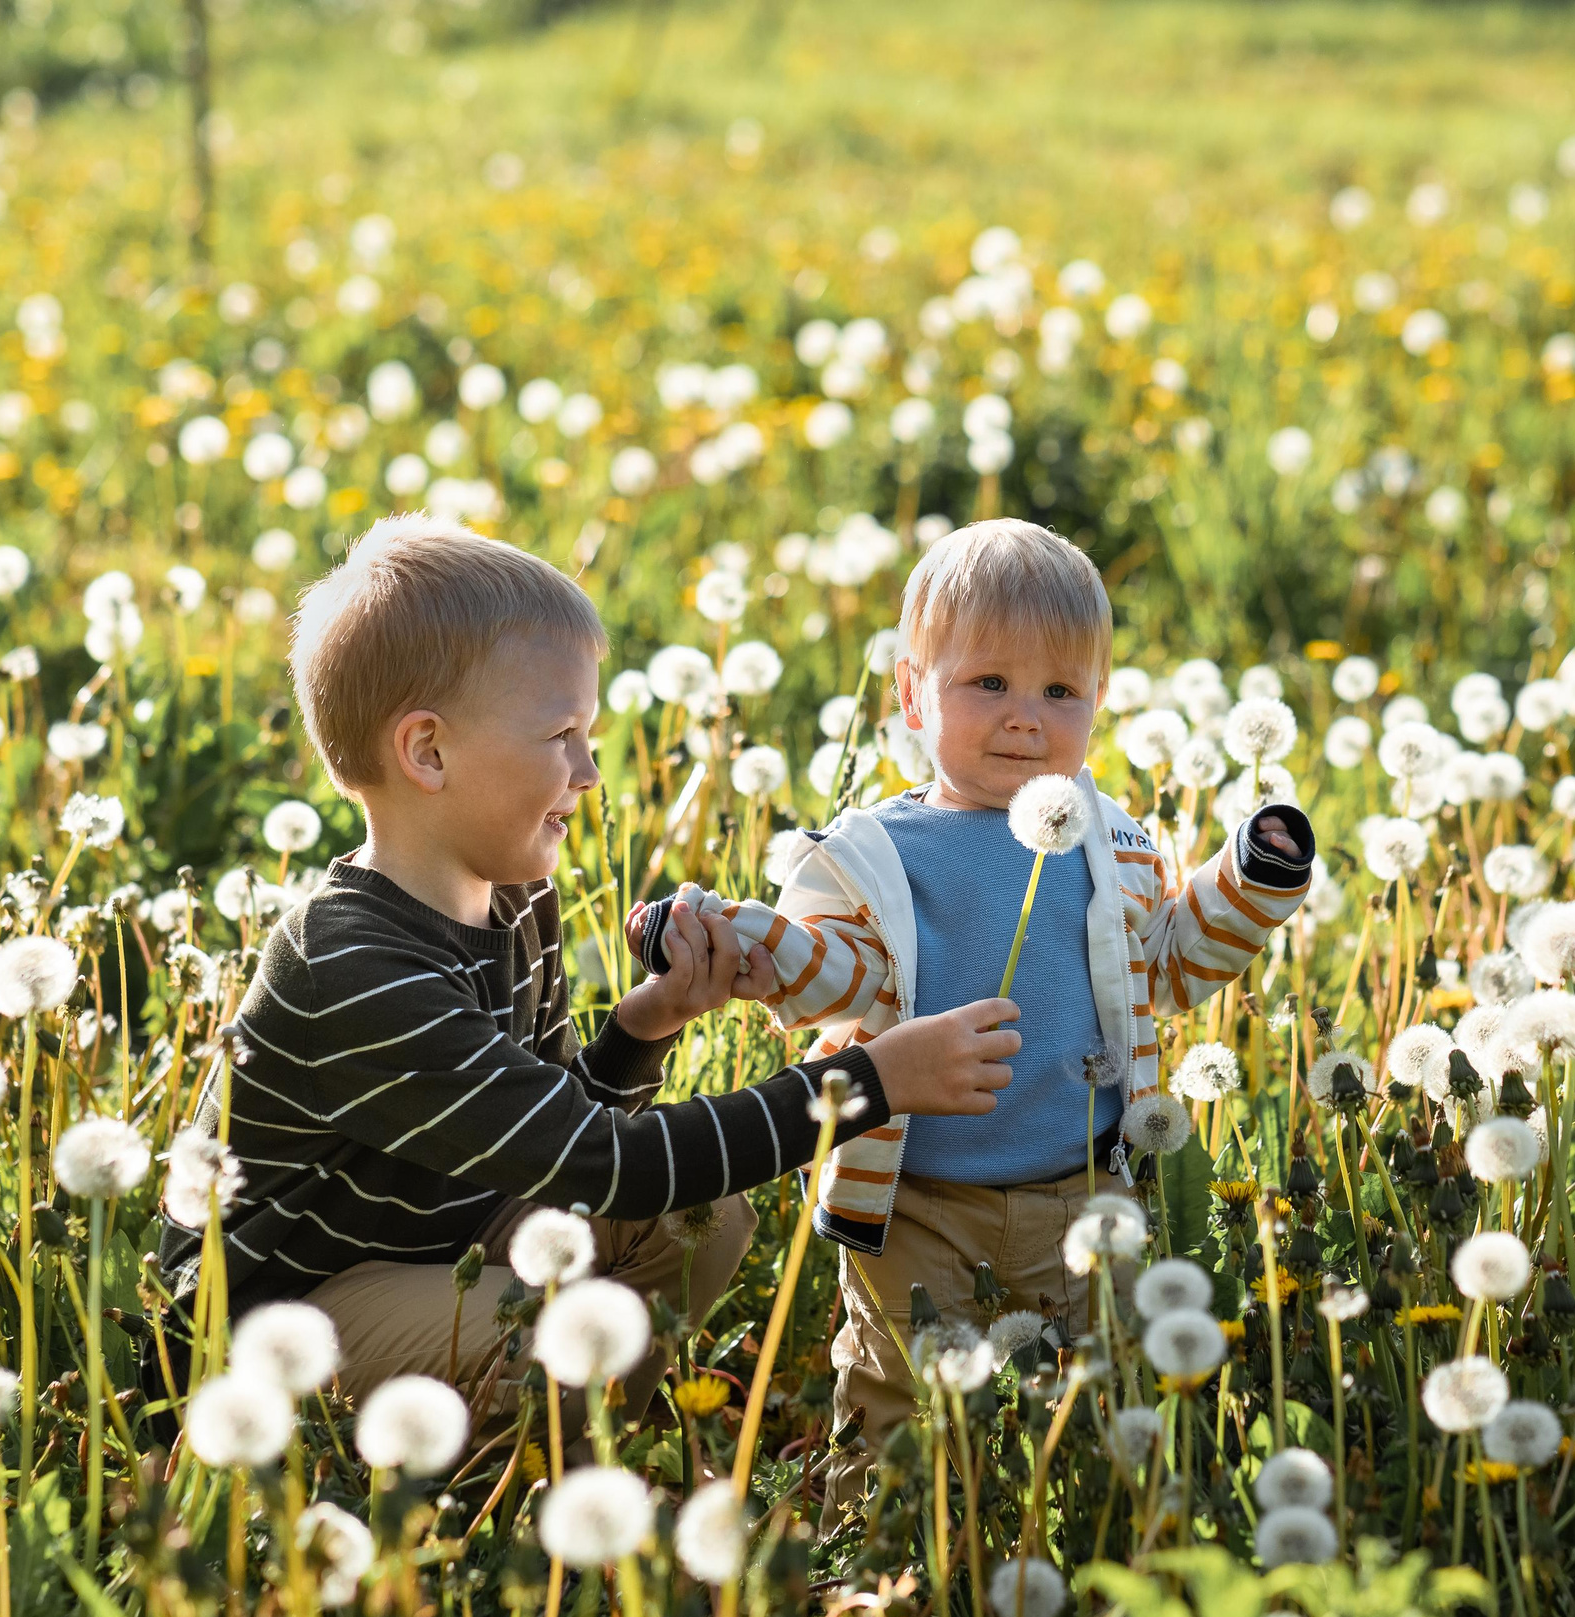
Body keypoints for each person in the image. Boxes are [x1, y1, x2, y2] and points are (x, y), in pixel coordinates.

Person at [151, 511, 1023, 1423]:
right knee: (546, 1329)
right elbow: (609, 1165)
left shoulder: (513, 896)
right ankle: (484, 1485)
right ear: (427, 751)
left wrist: (644, 1025)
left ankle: (576, 1448)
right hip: (265, 1333)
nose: (591, 769)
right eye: (561, 734)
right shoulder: (351, 966)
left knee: (700, 1221)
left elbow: (548, 1138)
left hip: (431, 1245)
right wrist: (866, 1083)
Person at [627, 518, 1312, 1507]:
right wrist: (727, 933)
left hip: (1082, 1195)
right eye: (987, 683)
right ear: (911, 691)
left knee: (1097, 1403)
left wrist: (1254, 878)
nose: (1025, 719)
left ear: (1099, 703)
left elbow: (1166, 965)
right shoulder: (871, 856)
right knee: (896, 1407)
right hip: (916, 1203)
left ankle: (1078, 1557)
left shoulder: (1112, 845)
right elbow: (825, 968)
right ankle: (883, 1570)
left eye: (1059, 692)